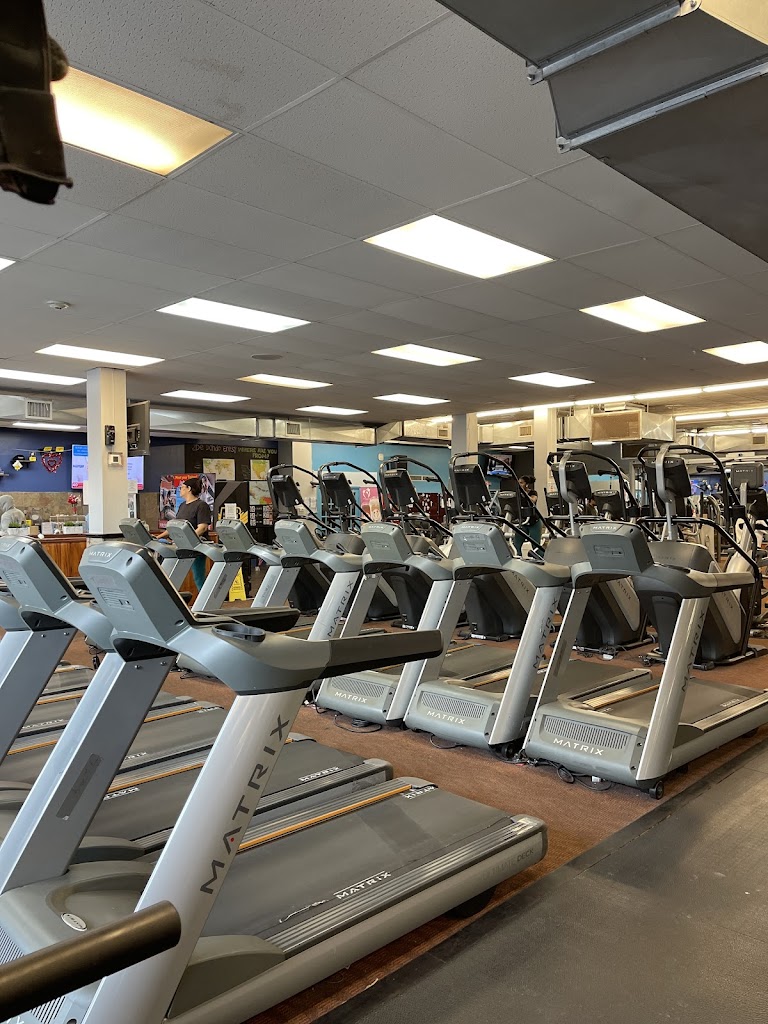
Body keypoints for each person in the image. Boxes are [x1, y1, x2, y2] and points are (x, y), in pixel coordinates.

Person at [156, 477, 211, 591]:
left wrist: (187, 538)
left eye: (182, 487)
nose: (180, 490)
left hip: (196, 546)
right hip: (182, 544)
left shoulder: (201, 505)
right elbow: (174, 527)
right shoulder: (182, 506)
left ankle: (208, 600)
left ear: (189, 489)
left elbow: (202, 527)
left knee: (198, 578)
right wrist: (157, 537)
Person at [515, 475, 542, 555]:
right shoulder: (517, 494)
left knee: (536, 546)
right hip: (523, 522)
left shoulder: (533, 492)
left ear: (526, 484)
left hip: (534, 522)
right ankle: (518, 558)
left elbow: (533, 500)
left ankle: (541, 558)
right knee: (516, 545)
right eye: (519, 483)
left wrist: (525, 494)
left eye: (521, 483)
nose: (519, 484)